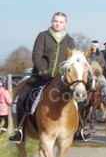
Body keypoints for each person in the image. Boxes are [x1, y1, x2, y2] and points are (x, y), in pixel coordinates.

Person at [9, 12, 74, 143]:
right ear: (52, 21)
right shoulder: (43, 36)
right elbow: (36, 55)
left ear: (65, 24)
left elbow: (70, 60)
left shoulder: (70, 40)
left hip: (60, 78)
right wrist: (42, 71)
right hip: (39, 75)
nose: (58, 24)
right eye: (56, 21)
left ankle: (79, 128)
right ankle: (20, 130)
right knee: (22, 97)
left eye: (61, 22)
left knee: (76, 100)